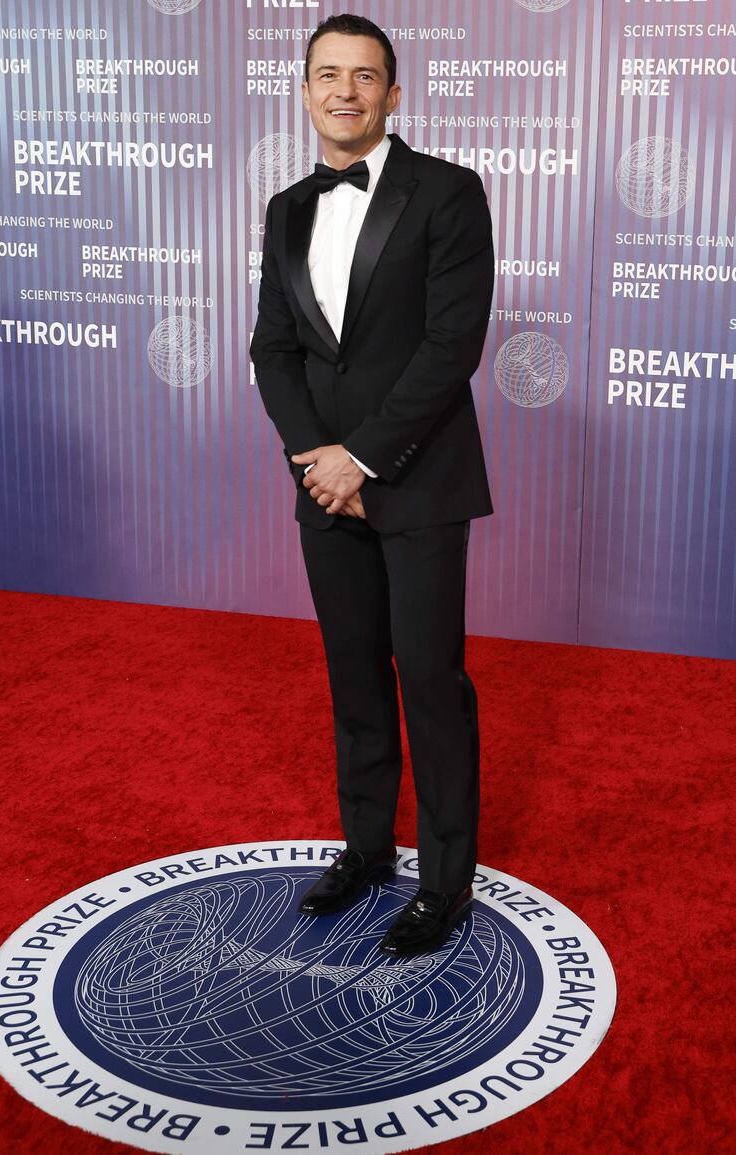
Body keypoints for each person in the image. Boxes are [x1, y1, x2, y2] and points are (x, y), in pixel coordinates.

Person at [250, 13, 494, 957]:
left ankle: (444, 882)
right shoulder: (285, 208)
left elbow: (451, 348)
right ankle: (363, 848)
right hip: (324, 488)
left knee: (430, 681)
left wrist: (364, 457)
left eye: (365, 76)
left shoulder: (449, 193)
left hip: (419, 482)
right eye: (327, 75)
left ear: (395, 93)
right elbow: (274, 349)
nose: (344, 91)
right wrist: (316, 457)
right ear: (306, 91)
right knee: (352, 673)